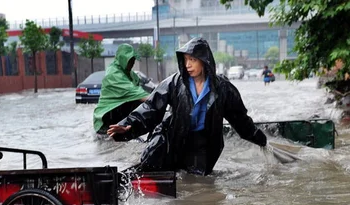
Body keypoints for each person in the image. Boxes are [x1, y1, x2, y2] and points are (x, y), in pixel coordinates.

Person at [107, 37, 267, 175]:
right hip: (174, 138)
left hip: (205, 146)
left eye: (193, 60)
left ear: (204, 61)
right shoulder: (174, 83)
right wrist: (128, 125)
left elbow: (240, 119)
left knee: (199, 186)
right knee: (163, 174)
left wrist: (261, 139)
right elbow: (151, 108)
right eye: (185, 60)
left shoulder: (223, 88)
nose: (188, 65)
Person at [93, 44, 148, 139]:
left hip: (122, 121)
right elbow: (140, 95)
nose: (132, 63)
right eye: (130, 60)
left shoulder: (131, 75)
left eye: (133, 60)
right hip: (106, 122)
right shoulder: (114, 75)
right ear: (122, 59)